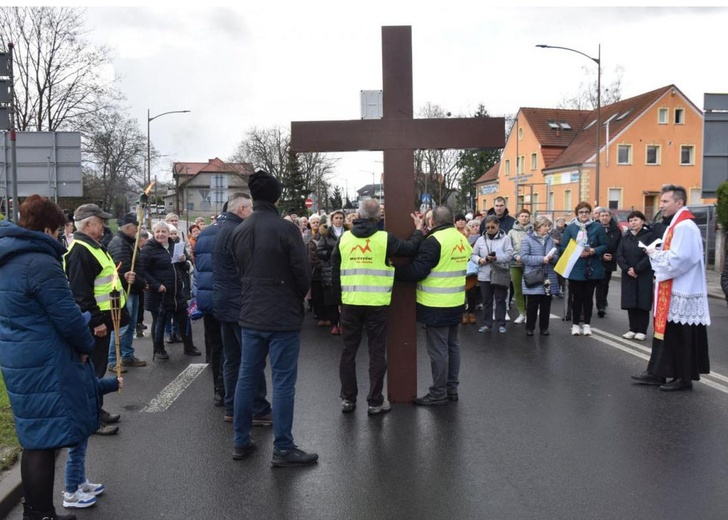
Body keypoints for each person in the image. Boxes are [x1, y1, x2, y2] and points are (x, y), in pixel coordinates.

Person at [0, 195, 97, 520]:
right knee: (44, 441)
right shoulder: (39, 262)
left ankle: (36, 511)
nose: (60, 236)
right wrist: (86, 344)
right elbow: (68, 318)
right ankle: (42, 514)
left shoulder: (9, 258)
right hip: (45, 362)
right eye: (58, 231)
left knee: (34, 438)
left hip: (18, 357)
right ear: (46, 228)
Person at [230, 169, 317, 466]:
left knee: (246, 377)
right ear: (277, 196)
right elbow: (303, 274)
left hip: (251, 312)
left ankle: (241, 440)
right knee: (282, 382)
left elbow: (239, 271)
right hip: (282, 316)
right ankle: (283, 447)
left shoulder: (239, 230)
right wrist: (295, 299)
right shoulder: (286, 229)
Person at [331, 198, 424, 415]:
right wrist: (418, 230)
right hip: (377, 304)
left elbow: (335, 272)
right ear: (378, 217)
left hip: (350, 302)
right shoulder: (385, 239)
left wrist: (338, 301)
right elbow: (409, 249)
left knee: (348, 352)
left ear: (358, 215)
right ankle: (374, 401)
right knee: (376, 352)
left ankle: (348, 399)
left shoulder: (344, 239)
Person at [632, 185, 711, 391]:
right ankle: (658, 372)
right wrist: (657, 251)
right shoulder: (675, 225)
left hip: (682, 291)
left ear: (679, 202)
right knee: (665, 333)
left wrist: (654, 254)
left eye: (666, 201)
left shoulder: (685, 227)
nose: (662, 205)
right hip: (672, 287)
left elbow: (681, 259)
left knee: (679, 335)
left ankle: (683, 377)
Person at [395, 206, 472, 405]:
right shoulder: (461, 238)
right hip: (456, 301)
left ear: (432, 222)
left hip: (436, 304)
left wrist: (391, 270)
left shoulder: (433, 242)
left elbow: (417, 271)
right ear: (452, 220)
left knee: (438, 351)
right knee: (453, 347)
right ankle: (451, 389)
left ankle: (438, 393)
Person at [65, 203, 130, 436]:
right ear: (88, 224)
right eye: (100, 221)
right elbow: (81, 293)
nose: (104, 225)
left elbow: (103, 277)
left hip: (105, 317)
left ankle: (97, 409)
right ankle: (92, 418)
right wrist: (96, 322)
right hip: (97, 323)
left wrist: (122, 277)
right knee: (93, 372)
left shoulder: (93, 246)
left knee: (98, 370)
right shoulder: (80, 250)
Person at [213, 192, 272, 425]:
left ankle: (231, 406)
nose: (253, 214)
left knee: (232, 359)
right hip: (241, 305)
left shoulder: (222, 229)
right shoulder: (239, 232)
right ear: (242, 210)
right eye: (250, 209)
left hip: (225, 304)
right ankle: (257, 409)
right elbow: (248, 270)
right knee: (252, 359)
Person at [139, 221, 201, 360]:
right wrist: (156, 285)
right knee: (159, 322)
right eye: (158, 232)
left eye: (163, 231)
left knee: (184, 320)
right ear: (154, 234)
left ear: (168, 234)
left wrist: (184, 261)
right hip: (159, 293)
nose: (161, 234)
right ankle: (159, 349)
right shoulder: (149, 249)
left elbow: (183, 267)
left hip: (176, 291)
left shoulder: (174, 246)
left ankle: (189, 346)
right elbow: (143, 271)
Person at [192, 212, 226, 408]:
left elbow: (198, 269)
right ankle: (225, 389)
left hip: (206, 297)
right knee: (230, 346)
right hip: (226, 297)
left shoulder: (203, 234)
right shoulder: (234, 232)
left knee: (215, 345)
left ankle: (218, 391)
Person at [560, 201, 608, 336]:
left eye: (586, 212)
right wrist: (575, 252)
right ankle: (575, 324)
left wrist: (593, 250)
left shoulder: (597, 227)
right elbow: (563, 247)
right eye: (581, 212)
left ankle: (587, 324)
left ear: (590, 213)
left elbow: (604, 245)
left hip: (592, 266)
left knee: (588, 297)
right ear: (577, 214)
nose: (584, 215)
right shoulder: (571, 228)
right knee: (577, 297)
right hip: (576, 266)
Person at [106, 213, 147, 372]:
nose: (137, 230)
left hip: (133, 289)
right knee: (121, 326)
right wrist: (141, 282)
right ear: (128, 227)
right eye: (135, 227)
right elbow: (123, 269)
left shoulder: (128, 242)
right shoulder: (120, 243)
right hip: (124, 290)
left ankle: (127, 356)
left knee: (129, 325)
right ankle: (112, 360)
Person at [616, 211, 656, 340]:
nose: (633, 223)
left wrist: (637, 269)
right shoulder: (626, 236)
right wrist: (627, 269)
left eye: (636, 220)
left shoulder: (649, 236)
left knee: (642, 301)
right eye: (631, 220)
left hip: (643, 273)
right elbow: (619, 255)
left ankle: (642, 330)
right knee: (630, 301)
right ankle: (632, 328)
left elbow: (650, 255)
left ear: (642, 221)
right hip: (628, 274)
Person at [472, 215, 514, 334]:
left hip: (499, 273)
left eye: (493, 227)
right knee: (487, 300)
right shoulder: (480, 240)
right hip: (485, 274)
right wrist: (482, 260)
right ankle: (487, 324)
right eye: (488, 227)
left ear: (498, 226)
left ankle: (501, 323)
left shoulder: (505, 239)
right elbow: (473, 255)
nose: (490, 229)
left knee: (500, 299)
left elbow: (509, 255)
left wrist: (496, 258)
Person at [520, 216, 560, 336]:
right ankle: (530, 327)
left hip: (548, 276)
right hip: (534, 276)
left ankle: (544, 327)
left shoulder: (550, 240)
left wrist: (553, 258)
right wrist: (542, 259)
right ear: (538, 227)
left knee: (546, 303)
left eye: (549, 226)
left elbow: (557, 255)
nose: (548, 228)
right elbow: (524, 257)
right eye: (545, 226)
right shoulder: (527, 239)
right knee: (532, 304)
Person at [316, 210, 349, 335]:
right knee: (332, 300)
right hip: (329, 269)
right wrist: (333, 254)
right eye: (337, 218)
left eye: (341, 218)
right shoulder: (326, 234)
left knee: (345, 299)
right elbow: (319, 251)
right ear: (332, 219)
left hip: (346, 268)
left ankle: (343, 324)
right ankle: (334, 323)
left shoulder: (349, 233)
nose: (339, 220)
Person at [595, 208, 622, 318]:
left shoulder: (616, 230)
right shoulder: (594, 228)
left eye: (606, 215)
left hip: (609, 261)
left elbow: (620, 247)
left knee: (604, 284)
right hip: (595, 260)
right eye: (602, 215)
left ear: (610, 217)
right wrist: (601, 255)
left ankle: (601, 306)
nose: (604, 218)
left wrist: (613, 256)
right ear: (599, 217)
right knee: (593, 284)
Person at [508, 208, 532, 324]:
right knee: (518, 289)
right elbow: (509, 247)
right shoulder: (511, 232)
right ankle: (521, 313)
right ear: (517, 218)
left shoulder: (533, 231)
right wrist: (516, 256)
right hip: (515, 263)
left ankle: (529, 313)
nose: (524, 218)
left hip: (530, 264)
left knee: (529, 289)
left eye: (526, 216)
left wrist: (528, 258)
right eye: (522, 216)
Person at [550, 217, 568, 295]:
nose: (561, 223)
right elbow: (552, 241)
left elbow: (566, 241)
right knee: (557, 271)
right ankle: (558, 288)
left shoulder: (568, 230)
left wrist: (559, 241)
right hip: (556, 252)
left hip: (566, 252)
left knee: (564, 271)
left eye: (562, 221)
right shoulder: (554, 231)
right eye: (559, 221)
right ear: (556, 223)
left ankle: (563, 287)